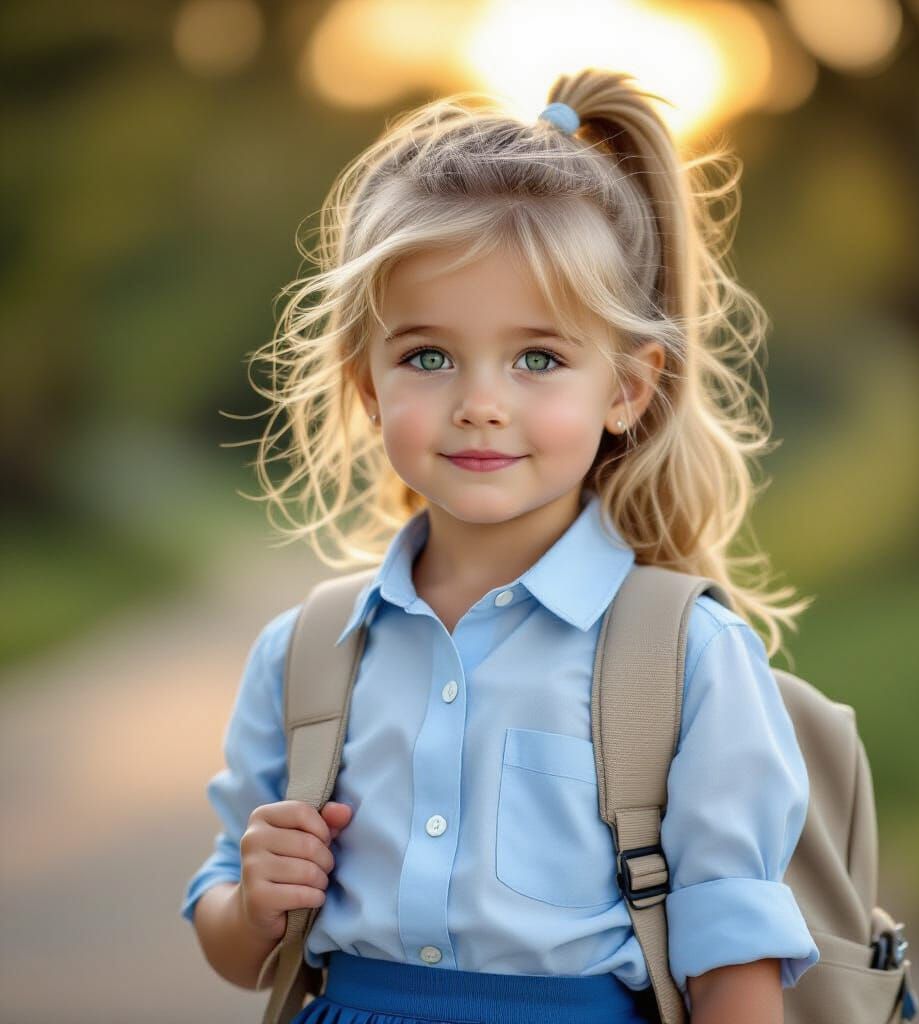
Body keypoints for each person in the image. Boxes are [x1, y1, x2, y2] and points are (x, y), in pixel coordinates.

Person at [181, 67, 821, 1024]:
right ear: (367, 382)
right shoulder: (308, 656)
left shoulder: (683, 660)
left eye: (539, 358)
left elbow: (734, 960)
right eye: (428, 357)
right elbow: (233, 946)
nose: (481, 401)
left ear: (627, 390)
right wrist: (256, 901)